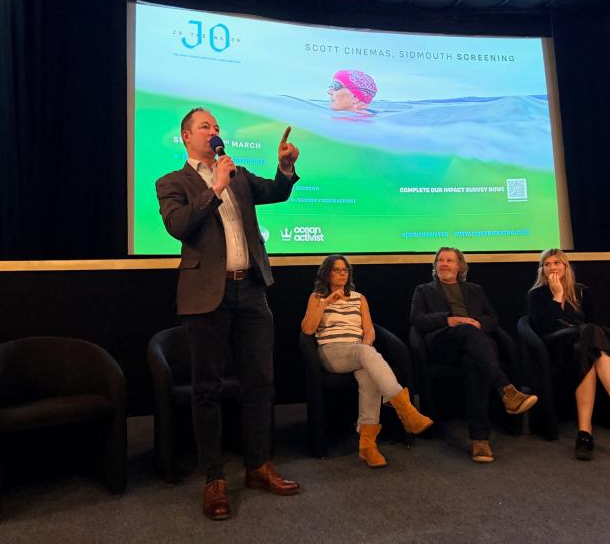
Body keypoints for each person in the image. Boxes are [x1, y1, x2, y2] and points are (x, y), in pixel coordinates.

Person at [156, 107, 301, 520]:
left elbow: (276, 192)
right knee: (207, 389)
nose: (215, 132)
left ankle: (258, 466)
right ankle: (215, 478)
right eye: (206, 126)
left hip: (252, 289)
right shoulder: (172, 182)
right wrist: (214, 187)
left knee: (261, 383)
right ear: (185, 136)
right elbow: (180, 225)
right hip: (206, 296)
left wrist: (285, 168)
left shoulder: (236, 175)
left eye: (217, 127)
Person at [300, 255, 433, 467]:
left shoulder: (359, 298)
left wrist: (366, 345)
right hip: (332, 353)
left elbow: (369, 329)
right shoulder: (317, 297)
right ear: (327, 273)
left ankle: (367, 446)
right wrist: (326, 303)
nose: (342, 274)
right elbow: (307, 329)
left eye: (345, 270)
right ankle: (405, 409)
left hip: (358, 352)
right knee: (366, 355)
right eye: (337, 270)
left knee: (369, 377)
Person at [410, 247, 537, 463]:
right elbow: (417, 319)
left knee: (474, 361)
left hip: (476, 347)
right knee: (471, 336)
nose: (444, 264)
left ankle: (480, 440)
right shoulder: (424, 290)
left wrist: (478, 323)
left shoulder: (475, 289)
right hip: (444, 344)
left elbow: (491, 317)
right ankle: (505, 389)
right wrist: (449, 320)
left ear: (460, 266)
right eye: (440, 260)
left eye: (449, 260)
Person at [527, 248, 610, 461]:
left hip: (582, 349)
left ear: (565, 267)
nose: (552, 268)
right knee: (589, 332)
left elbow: (595, 322)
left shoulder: (581, 291)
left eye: (556, 263)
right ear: (542, 270)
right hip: (556, 347)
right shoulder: (536, 295)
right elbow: (543, 327)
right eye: (547, 264)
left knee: (590, 349)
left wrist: (579, 323)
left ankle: (584, 433)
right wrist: (557, 298)